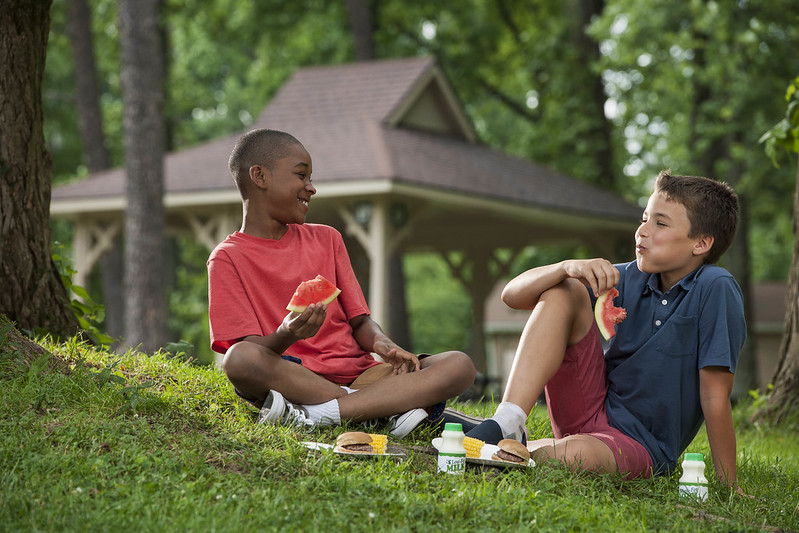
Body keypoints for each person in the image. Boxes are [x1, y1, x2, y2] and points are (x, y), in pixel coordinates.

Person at [466, 170, 745, 486]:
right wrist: (566, 267)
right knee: (566, 288)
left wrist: (728, 484)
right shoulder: (630, 276)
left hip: (641, 445)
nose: (642, 231)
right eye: (644, 219)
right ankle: (508, 421)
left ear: (701, 243)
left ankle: (504, 448)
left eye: (660, 223)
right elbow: (511, 296)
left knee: (573, 457)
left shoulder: (715, 287)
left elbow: (714, 395)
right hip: (587, 409)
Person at [207, 128, 476, 438]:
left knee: (459, 365)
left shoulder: (327, 238)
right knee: (238, 359)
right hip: (297, 380)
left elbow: (360, 322)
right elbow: (252, 350)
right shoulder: (226, 258)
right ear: (260, 176)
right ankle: (380, 408)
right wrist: (287, 334)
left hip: (363, 377)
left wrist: (383, 344)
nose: (311, 188)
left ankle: (328, 414)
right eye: (301, 175)